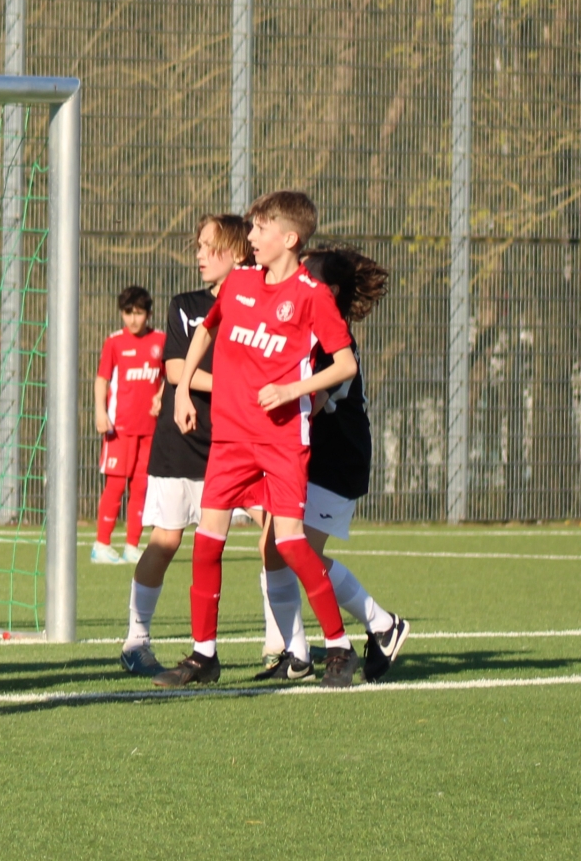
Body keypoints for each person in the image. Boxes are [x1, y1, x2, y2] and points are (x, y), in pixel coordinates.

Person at [152, 190, 362, 689]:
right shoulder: (241, 282)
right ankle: (204, 656)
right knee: (207, 540)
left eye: (260, 229)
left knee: (290, 543)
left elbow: (345, 364)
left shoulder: (311, 295)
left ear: (288, 238)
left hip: (282, 440)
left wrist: (292, 389)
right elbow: (206, 332)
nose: (251, 237)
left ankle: (339, 647)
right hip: (230, 437)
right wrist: (182, 389)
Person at [250, 245, 409, 683]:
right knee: (274, 550)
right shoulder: (303, 332)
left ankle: (382, 624)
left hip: (336, 462)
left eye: (308, 280)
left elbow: (312, 406)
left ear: (330, 291)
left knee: (300, 551)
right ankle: (296, 654)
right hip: (305, 458)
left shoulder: (334, 344)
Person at [118, 214, 250, 677]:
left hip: (238, 440)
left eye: (210, 246)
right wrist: (235, 387)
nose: (199, 254)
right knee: (167, 540)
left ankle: (285, 647)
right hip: (183, 442)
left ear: (239, 253)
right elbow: (176, 371)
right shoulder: (186, 305)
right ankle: (136, 640)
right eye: (198, 245)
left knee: (277, 534)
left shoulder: (256, 306)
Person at [93, 286, 165, 564]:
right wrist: (100, 411)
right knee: (115, 486)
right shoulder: (114, 342)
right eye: (128, 313)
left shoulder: (161, 340)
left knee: (141, 487)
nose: (133, 319)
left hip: (150, 428)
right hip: (119, 428)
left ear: (149, 314)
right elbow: (102, 379)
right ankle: (102, 544)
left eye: (139, 313)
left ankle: (132, 545)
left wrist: (161, 397)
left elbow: (170, 376)